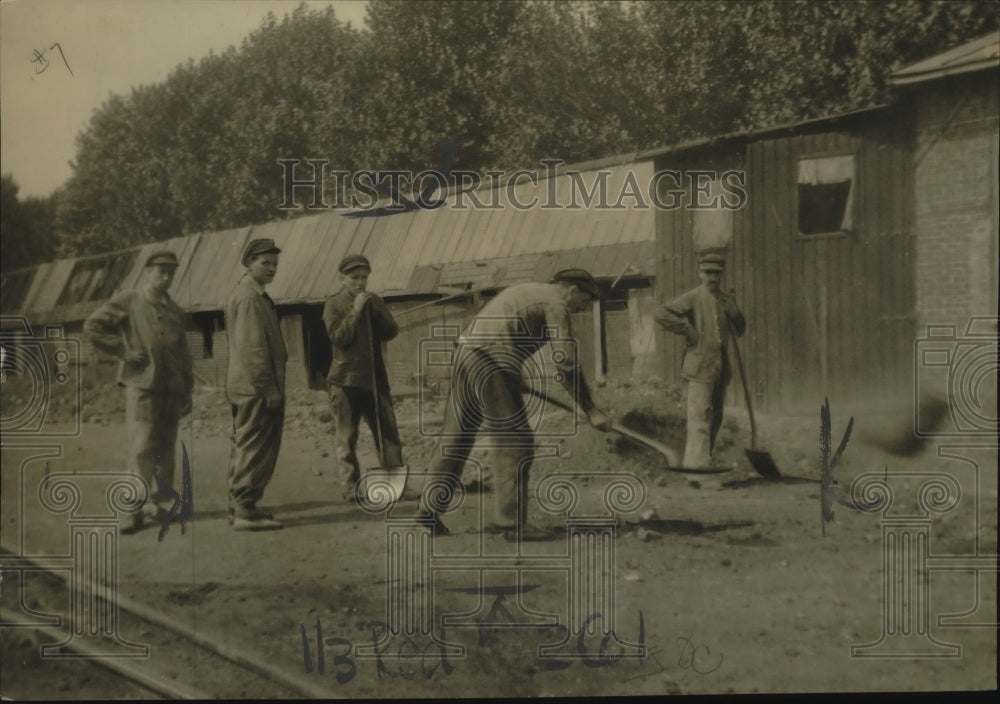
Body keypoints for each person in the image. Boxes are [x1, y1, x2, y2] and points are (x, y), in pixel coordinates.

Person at [407, 268, 611, 540]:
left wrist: (514, 374)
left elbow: (504, 329)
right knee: (516, 442)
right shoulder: (556, 304)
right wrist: (591, 409)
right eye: (583, 302)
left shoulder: (528, 289)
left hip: (466, 353)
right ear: (572, 290)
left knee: (456, 438)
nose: (581, 309)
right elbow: (565, 361)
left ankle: (427, 514)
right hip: (492, 360)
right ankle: (511, 524)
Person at [84, 250, 193, 535]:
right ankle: (132, 509)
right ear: (148, 271)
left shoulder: (175, 310)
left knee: (166, 449)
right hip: (142, 385)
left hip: (171, 389)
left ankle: (157, 503)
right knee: (142, 447)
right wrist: (122, 351)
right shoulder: (130, 300)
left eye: (171, 272)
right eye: (161, 271)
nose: (167, 277)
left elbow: (183, 353)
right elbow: (93, 326)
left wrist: (187, 389)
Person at [322, 254, 403, 502]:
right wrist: (356, 311)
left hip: (375, 379)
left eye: (364, 277)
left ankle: (397, 485)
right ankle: (350, 488)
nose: (360, 282)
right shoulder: (333, 304)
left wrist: (378, 311)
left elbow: (391, 332)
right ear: (342, 279)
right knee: (346, 437)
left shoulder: (374, 300)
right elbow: (339, 337)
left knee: (388, 435)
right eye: (354, 277)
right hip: (344, 381)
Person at [655, 252, 745, 469]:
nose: (713, 277)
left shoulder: (724, 299)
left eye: (717, 273)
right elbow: (661, 313)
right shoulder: (694, 297)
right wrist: (687, 329)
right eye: (708, 272)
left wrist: (734, 313)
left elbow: (739, 330)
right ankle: (695, 471)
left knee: (715, 418)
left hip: (719, 368)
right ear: (700, 273)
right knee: (700, 418)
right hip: (699, 367)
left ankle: (703, 464)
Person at [224, 238, 287, 531]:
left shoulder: (255, 295)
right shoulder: (249, 298)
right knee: (254, 447)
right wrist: (269, 389)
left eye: (275, 264)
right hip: (255, 389)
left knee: (249, 445)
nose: (272, 268)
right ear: (249, 264)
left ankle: (242, 506)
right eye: (265, 263)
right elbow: (253, 351)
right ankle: (244, 512)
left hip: (249, 387)